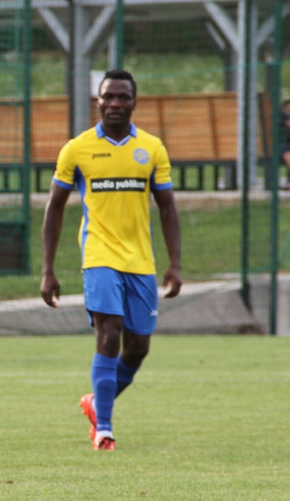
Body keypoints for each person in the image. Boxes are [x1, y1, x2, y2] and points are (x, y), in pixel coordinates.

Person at [40, 69, 183, 452]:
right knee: (108, 334)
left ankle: (96, 401)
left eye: (123, 97)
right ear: (98, 101)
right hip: (98, 255)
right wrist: (48, 270)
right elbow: (55, 208)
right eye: (109, 96)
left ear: (134, 102)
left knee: (138, 348)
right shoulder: (77, 149)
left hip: (141, 261)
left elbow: (168, 209)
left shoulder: (151, 148)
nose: (115, 103)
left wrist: (175, 263)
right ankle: (104, 429)